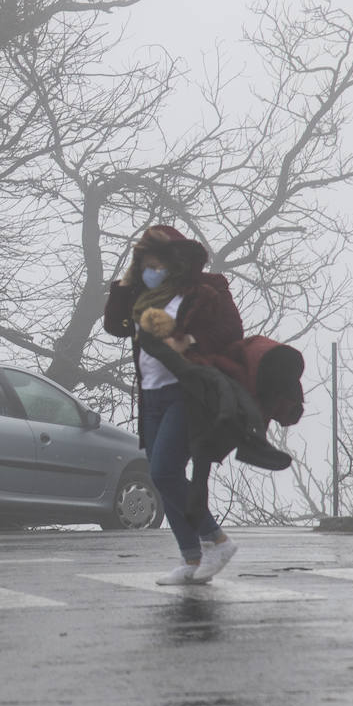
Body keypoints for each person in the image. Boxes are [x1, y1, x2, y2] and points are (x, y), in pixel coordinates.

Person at [104, 224, 244, 585]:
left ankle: (217, 539)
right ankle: (192, 560)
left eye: (157, 265)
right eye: (145, 265)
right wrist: (124, 281)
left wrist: (189, 338)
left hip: (186, 392)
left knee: (165, 470)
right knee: (162, 477)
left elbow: (230, 331)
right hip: (150, 396)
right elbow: (114, 327)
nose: (152, 272)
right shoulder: (140, 296)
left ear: (174, 263)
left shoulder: (203, 290)